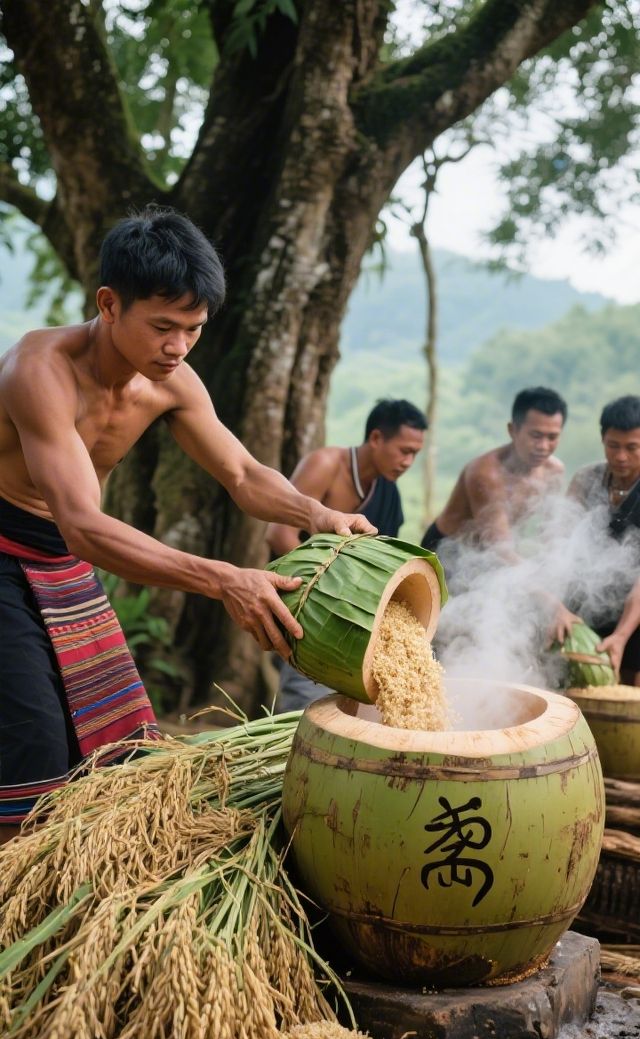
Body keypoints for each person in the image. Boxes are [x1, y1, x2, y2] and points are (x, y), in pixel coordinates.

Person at [0, 206, 375, 840]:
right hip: (13, 551)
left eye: (193, 329)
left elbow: (244, 475)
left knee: (115, 754)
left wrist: (319, 513)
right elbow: (85, 526)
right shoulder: (39, 371)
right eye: (163, 327)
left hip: (64, 567)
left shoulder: (170, 380)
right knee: (31, 747)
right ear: (110, 304)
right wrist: (225, 578)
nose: (177, 347)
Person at [266, 398, 427, 709]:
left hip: (349, 614)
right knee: (303, 702)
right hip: (303, 606)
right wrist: (331, 584)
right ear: (377, 438)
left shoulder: (388, 490)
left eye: (416, 455)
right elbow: (278, 533)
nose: (408, 462)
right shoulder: (326, 464)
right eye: (404, 451)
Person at [421, 387, 568, 557]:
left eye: (552, 437)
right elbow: (500, 549)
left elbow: (550, 532)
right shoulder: (485, 474)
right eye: (536, 435)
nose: (543, 446)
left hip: (491, 552)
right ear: (513, 430)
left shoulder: (554, 471)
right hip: (448, 550)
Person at [568, 395, 640, 684]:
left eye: (632, 448)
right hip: (589, 601)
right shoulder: (586, 480)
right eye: (613, 446)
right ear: (602, 440)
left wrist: (622, 635)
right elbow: (557, 547)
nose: (621, 456)